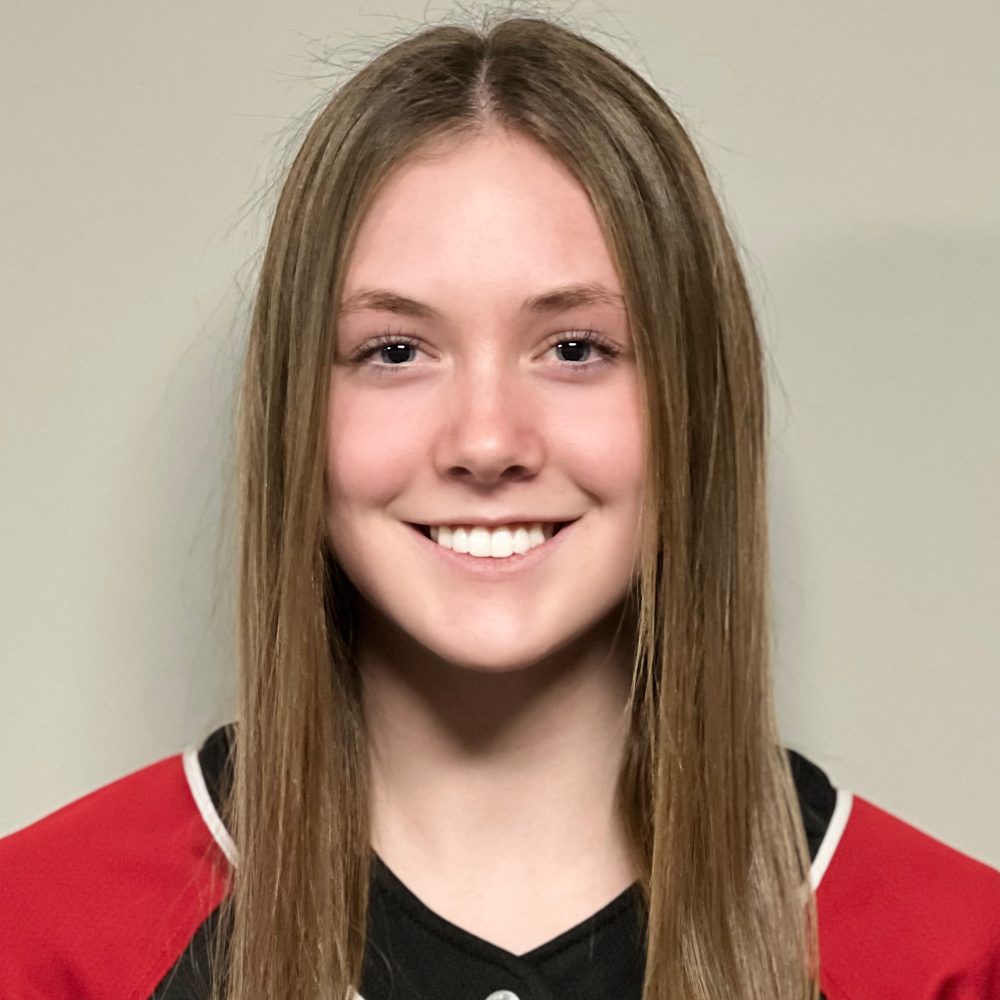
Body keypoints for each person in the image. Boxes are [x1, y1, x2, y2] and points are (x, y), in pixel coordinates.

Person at [1, 12, 998, 1000]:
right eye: (396, 351)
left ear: (695, 407)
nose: (485, 442)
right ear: (296, 411)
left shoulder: (948, 960)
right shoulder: (45, 941)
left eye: (576, 349)